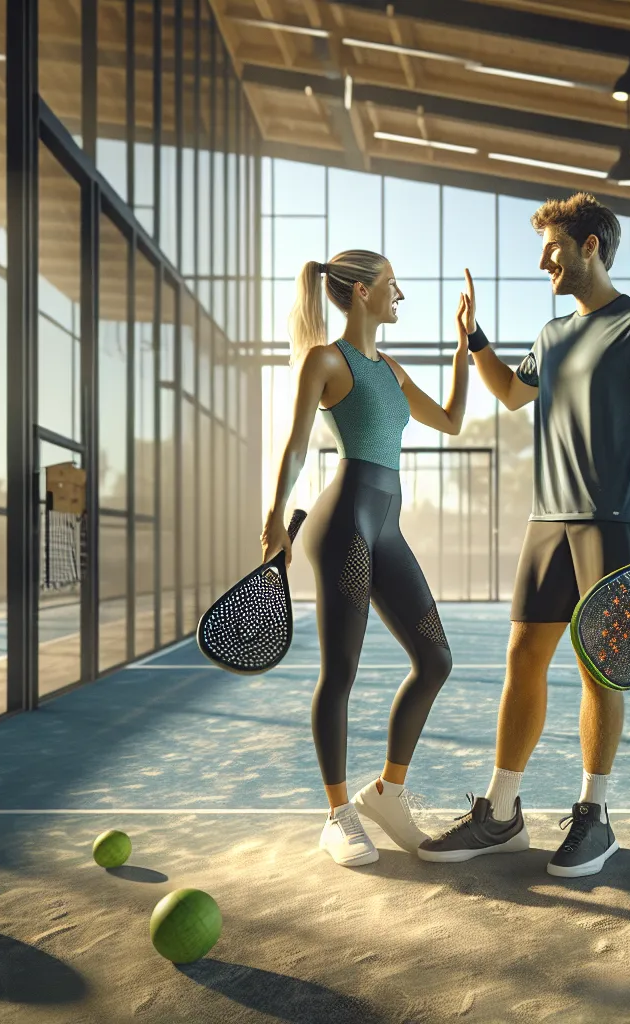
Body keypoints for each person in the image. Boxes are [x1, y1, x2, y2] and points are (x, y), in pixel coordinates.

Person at [418, 193, 630, 878]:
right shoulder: (551, 334)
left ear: (590, 245)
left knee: (598, 668)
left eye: (553, 247)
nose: (544, 260)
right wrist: (473, 339)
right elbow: (513, 395)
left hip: (615, 523)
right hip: (548, 522)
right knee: (522, 658)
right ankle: (502, 813)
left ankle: (594, 816)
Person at [263, 249, 473, 866]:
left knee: (435, 658)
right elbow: (297, 442)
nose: (399, 294)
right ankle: (338, 814)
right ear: (360, 292)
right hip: (344, 523)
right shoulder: (327, 359)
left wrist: (464, 350)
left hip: (386, 525)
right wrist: (276, 514)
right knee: (342, 672)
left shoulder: (393, 369)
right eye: (392, 285)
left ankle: (387, 792)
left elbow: (455, 421)